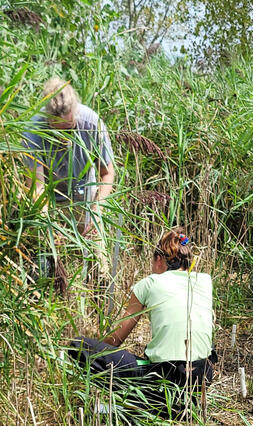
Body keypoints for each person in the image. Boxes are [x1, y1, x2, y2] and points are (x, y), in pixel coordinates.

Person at [69, 229, 216, 417]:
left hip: (164, 380)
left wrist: (97, 345)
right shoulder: (205, 281)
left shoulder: (150, 283)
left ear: (159, 260)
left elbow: (115, 341)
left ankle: (146, 406)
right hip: (200, 382)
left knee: (79, 347)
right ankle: (173, 408)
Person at [22, 77, 115, 280]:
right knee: (45, 263)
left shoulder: (92, 123)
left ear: (75, 112)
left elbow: (107, 173)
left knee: (99, 266)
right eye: (58, 131)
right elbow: (36, 187)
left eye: (70, 128)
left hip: (86, 197)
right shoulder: (33, 131)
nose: (65, 137)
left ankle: (100, 304)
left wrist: (97, 210)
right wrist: (49, 226)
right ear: (48, 119)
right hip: (51, 201)